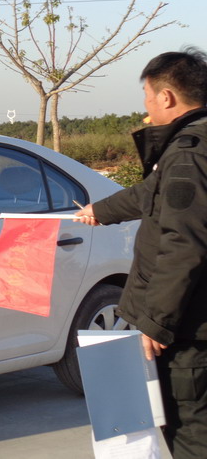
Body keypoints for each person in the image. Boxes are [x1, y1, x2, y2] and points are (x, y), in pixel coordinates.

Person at [75, 47, 207, 458]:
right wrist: (100, 211)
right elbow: (151, 194)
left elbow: (183, 245)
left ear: (166, 96)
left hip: (190, 329)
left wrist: (155, 323)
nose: (147, 109)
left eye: (148, 97)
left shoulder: (188, 154)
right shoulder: (195, 146)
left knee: (192, 434)